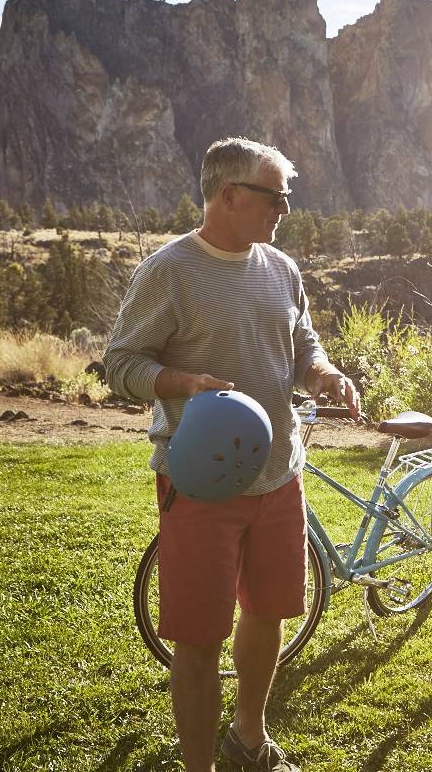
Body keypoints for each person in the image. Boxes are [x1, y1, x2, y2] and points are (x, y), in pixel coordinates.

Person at [105, 137, 359, 772]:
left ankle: (248, 738)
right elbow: (120, 363)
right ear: (229, 196)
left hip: (279, 475)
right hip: (201, 482)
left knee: (269, 612)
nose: (285, 210)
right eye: (277, 197)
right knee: (197, 638)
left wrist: (324, 374)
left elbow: (304, 345)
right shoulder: (169, 269)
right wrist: (182, 385)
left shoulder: (282, 268)